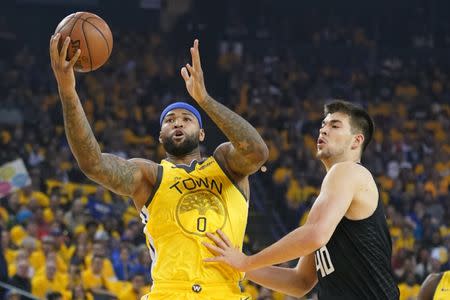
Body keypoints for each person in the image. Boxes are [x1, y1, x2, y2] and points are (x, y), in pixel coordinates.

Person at [49, 35, 268, 300]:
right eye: (170, 120)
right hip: (168, 292)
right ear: (160, 136)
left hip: (225, 292)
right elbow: (93, 163)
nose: (177, 122)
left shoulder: (225, 163)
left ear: (201, 133)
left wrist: (204, 100)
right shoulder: (149, 175)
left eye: (187, 118)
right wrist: (67, 90)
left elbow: (257, 152)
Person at [204, 100, 400, 299]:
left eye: (335, 126)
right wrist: (240, 265)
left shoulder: (348, 170)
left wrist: (247, 263)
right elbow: (300, 282)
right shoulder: (330, 202)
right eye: (323, 125)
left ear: (356, 141)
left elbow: (315, 235)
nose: (323, 130)